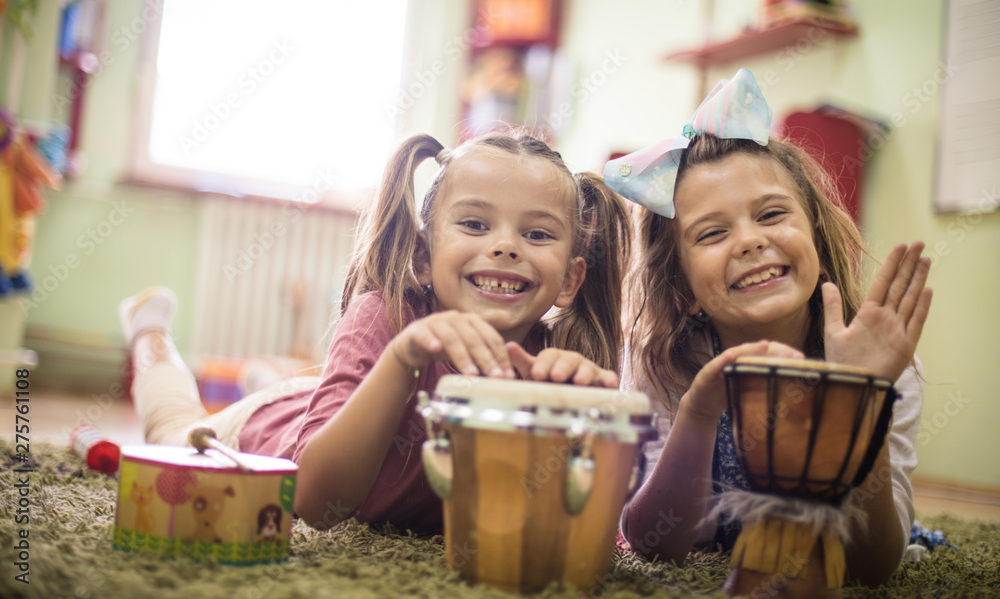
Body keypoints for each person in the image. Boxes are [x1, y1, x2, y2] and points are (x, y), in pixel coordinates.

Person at [119, 130, 631, 536]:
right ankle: (150, 334)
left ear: (570, 279)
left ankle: (281, 388)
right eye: (475, 225)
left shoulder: (561, 366)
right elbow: (317, 506)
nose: (505, 246)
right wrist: (403, 360)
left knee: (307, 394)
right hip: (262, 435)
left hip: (321, 405)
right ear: (423, 256)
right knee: (173, 431)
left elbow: (575, 523)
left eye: (537, 234)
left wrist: (585, 426)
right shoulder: (386, 316)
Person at [604, 69, 931, 586]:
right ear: (682, 285)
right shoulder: (661, 362)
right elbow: (653, 545)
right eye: (712, 233)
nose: (750, 241)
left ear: (817, 236)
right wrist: (698, 411)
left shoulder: (887, 364)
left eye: (772, 214)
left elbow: (872, 569)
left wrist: (861, 402)